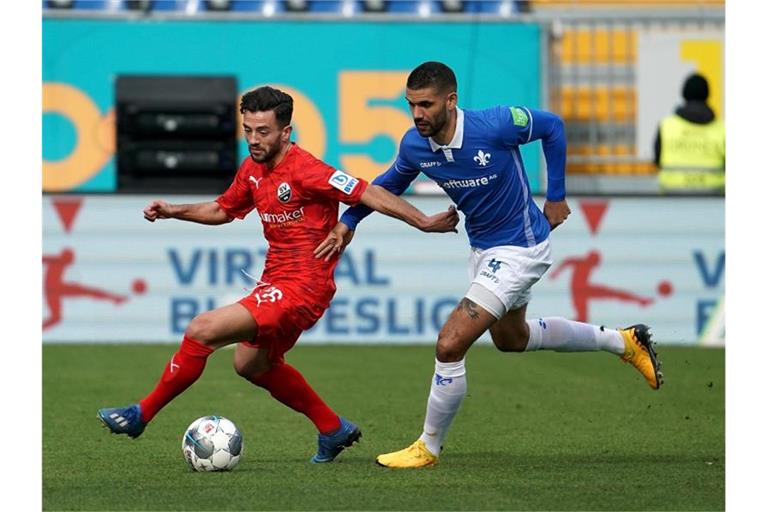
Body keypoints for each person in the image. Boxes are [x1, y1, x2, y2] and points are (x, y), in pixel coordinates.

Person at [314, 61, 663, 469]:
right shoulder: (415, 145)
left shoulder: (495, 124)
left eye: (425, 104)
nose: (418, 114)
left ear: (451, 100)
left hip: (521, 248)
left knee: (450, 343)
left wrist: (556, 195)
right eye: (411, 105)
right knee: (511, 339)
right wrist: (348, 221)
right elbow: (386, 185)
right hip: (484, 250)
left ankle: (428, 447)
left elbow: (552, 126)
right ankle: (623, 342)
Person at [97, 85, 459, 464]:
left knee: (202, 329)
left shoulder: (306, 169)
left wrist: (422, 222)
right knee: (251, 365)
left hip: (304, 287)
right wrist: (174, 210)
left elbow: (368, 193)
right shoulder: (253, 168)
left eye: (263, 131)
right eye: (248, 130)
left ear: (285, 132)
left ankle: (141, 415)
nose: (254, 139)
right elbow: (223, 210)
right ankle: (332, 428)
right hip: (276, 282)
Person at [654, 73, 725, 194]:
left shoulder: (666, 125)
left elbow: (657, 161)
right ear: (707, 95)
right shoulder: (722, 128)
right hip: (713, 194)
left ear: (684, 94)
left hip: (672, 192)